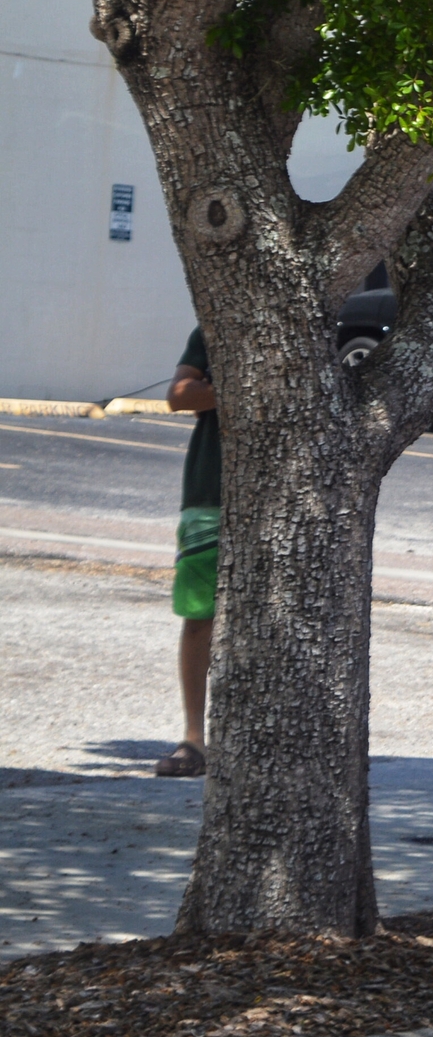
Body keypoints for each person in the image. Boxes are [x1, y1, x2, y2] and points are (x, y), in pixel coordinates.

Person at [158, 328, 219, 777]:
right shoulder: (213, 328)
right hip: (209, 492)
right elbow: (178, 394)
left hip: (285, 497)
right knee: (199, 616)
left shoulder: (319, 324)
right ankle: (194, 739)